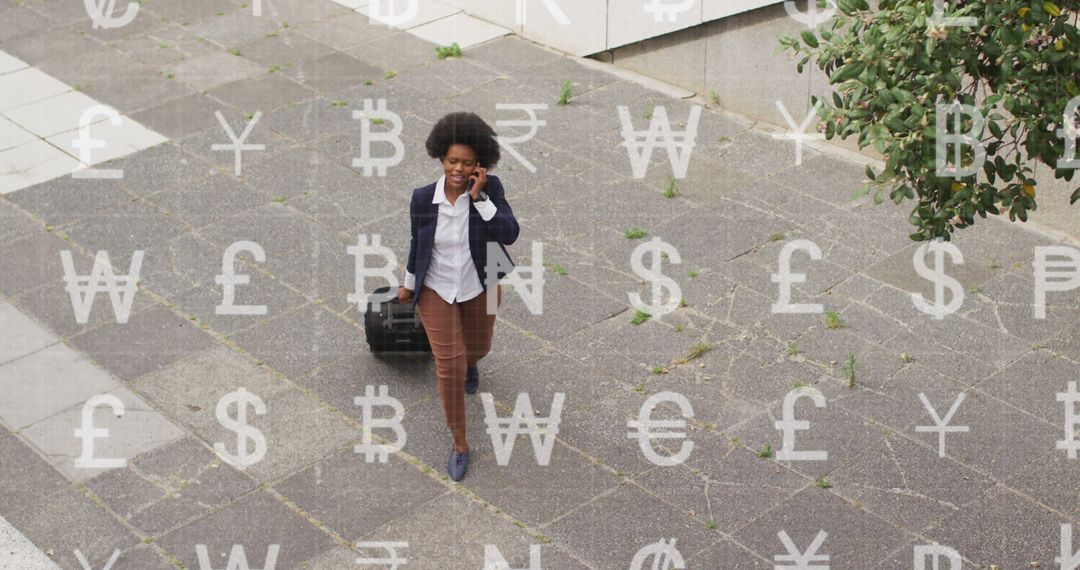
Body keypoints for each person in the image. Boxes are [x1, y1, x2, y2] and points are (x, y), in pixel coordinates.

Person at [398, 111, 520, 481]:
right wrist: (407, 283)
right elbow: (418, 243)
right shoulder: (422, 198)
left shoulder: (490, 191)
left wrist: (479, 196)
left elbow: (510, 233)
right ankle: (460, 443)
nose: (458, 169)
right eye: (453, 161)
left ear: (479, 165)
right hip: (436, 288)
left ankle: (473, 363)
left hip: (482, 284)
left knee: (479, 347)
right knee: (448, 366)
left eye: (467, 163)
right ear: (441, 158)